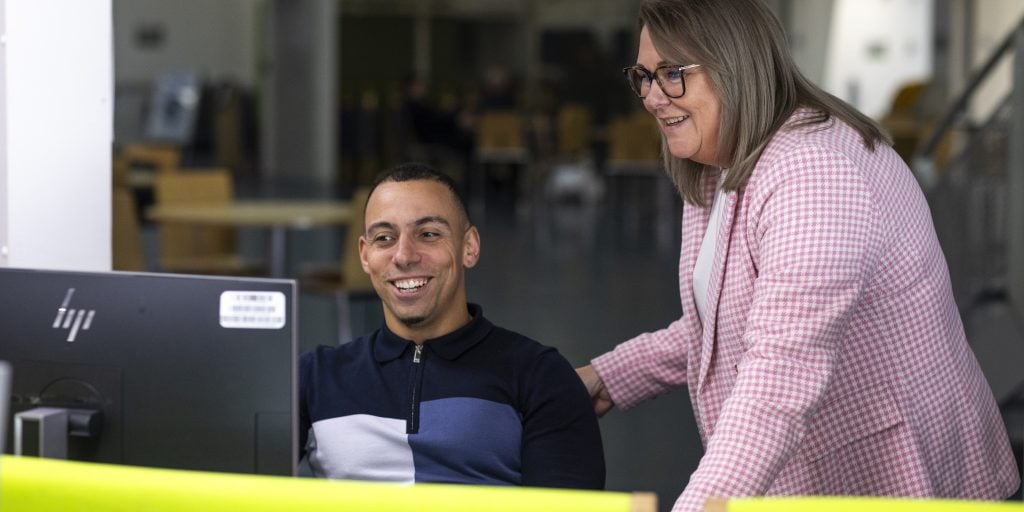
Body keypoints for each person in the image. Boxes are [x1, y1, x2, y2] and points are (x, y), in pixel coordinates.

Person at [576, 0, 1020, 510]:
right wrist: (610, 376)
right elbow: (735, 319)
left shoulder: (811, 176)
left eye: (673, 74)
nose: (653, 98)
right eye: (644, 76)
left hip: (902, 483)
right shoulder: (723, 160)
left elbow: (777, 381)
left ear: (734, 64)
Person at [299, 163, 605, 489]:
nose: (403, 256)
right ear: (365, 255)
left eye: (428, 234)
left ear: (468, 247)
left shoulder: (540, 377)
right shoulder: (315, 378)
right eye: (385, 238)